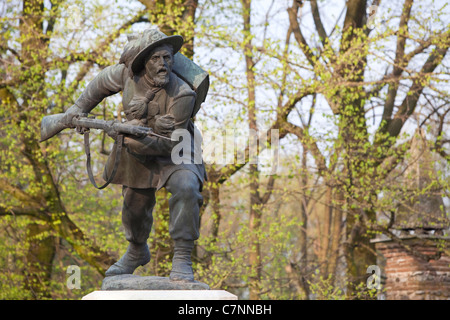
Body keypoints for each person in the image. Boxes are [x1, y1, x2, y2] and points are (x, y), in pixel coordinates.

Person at [62, 29, 206, 282]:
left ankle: (182, 257)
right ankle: (137, 250)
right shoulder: (126, 75)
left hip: (176, 149)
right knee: (134, 206)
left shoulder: (183, 94)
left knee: (187, 188)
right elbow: (98, 84)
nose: (163, 64)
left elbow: (171, 145)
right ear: (143, 62)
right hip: (136, 147)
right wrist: (76, 112)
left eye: (167, 58)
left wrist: (124, 138)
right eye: (155, 59)